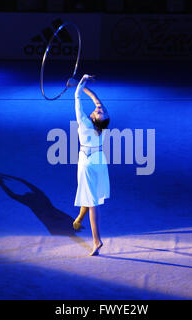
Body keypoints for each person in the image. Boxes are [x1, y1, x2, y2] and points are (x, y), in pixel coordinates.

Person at [72, 74, 110, 256]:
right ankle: (79, 218)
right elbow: (97, 101)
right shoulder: (102, 124)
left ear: (94, 118)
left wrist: (81, 82)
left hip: (87, 162)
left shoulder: (84, 123)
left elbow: (77, 98)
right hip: (99, 161)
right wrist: (80, 84)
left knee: (92, 202)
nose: (100, 109)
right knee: (89, 194)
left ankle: (97, 240)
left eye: (100, 111)